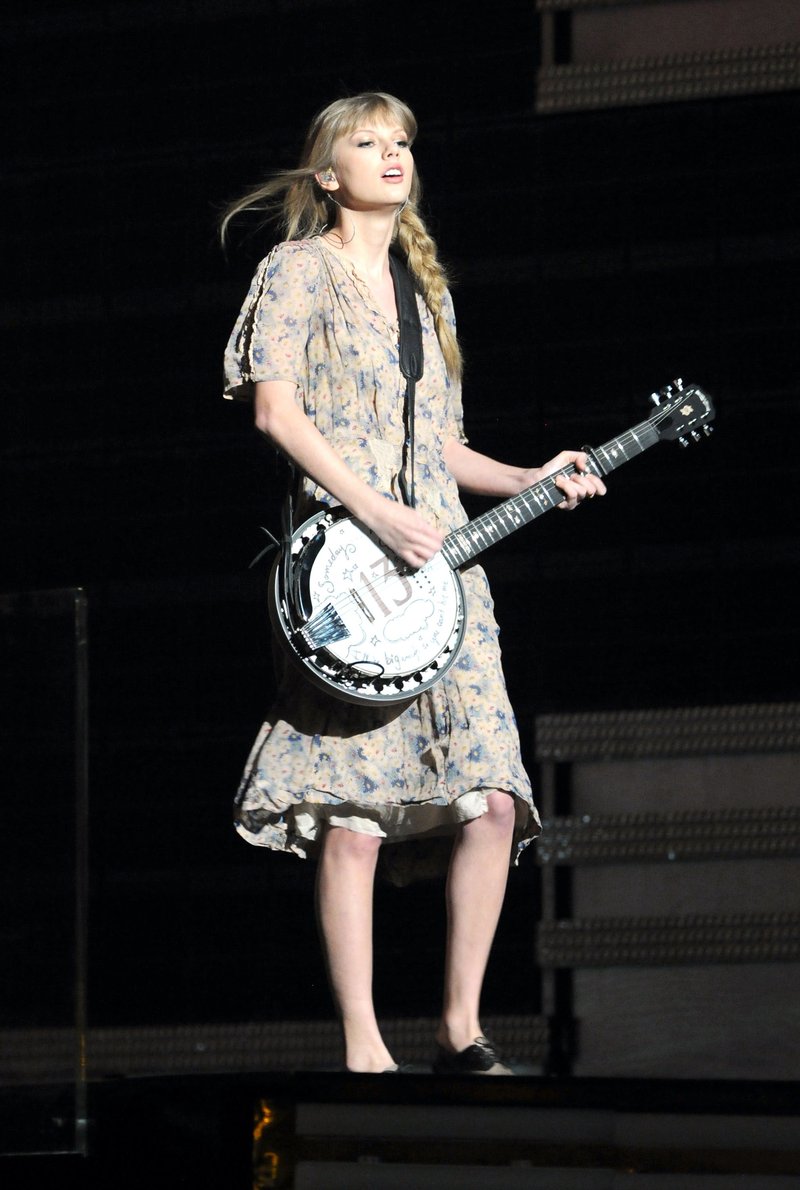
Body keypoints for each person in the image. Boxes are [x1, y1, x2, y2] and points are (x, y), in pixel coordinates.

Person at [221, 92, 606, 1075]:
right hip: (344, 572)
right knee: (352, 815)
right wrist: (368, 507)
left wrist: (529, 475)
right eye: (365, 141)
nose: (390, 156)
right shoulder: (297, 268)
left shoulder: (423, 291)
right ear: (324, 173)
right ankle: (362, 1046)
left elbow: (439, 446)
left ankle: (460, 1028)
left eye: (401, 143)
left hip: (441, 575)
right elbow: (275, 410)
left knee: (492, 798)